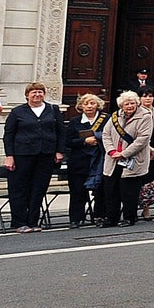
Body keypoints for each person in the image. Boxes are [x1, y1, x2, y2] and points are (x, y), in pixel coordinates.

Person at [1, 82, 65, 233]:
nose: (37, 95)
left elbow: (61, 131)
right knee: (20, 188)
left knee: (39, 188)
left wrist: (59, 151)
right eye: (34, 92)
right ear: (27, 95)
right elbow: (8, 135)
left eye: (40, 92)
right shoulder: (17, 112)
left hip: (46, 154)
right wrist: (9, 155)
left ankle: (33, 221)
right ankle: (19, 222)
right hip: (22, 154)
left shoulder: (52, 109)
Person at [100, 91, 154, 226]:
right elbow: (105, 135)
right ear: (121, 105)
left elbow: (142, 139)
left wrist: (124, 153)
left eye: (132, 103)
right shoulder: (114, 116)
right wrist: (111, 151)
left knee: (129, 191)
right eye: (126, 104)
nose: (129, 106)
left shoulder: (145, 117)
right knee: (111, 190)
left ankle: (129, 217)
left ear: (137, 104)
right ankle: (111, 218)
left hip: (132, 160)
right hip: (113, 159)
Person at [62, 94, 107, 229]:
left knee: (101, 190)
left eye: (92, 103)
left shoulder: (107, 119)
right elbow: (68, 141)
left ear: (97, 105)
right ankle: (76, 218)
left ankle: (100, 216)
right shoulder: (75, 121)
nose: (89, 106)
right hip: (79, 161)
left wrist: (98, 139)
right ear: (80, 106)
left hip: (100, 160)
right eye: (86, 104)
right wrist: (84, 141)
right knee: (77, 191)